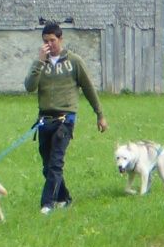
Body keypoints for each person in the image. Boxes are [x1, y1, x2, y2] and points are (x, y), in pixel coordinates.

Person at [23, 21, 107, 214]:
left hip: (65, 119)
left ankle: (47, 204)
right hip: (44, 119)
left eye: (52, 40)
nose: (49, 44)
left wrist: (100, 115)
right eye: (46, 41)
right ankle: (64, 198)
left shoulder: (74, 61)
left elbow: (88, 88)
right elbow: (29, 86)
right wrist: (39, 62)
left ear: (61, 39)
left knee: (56, 163)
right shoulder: (40, 64)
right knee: (47, 166)